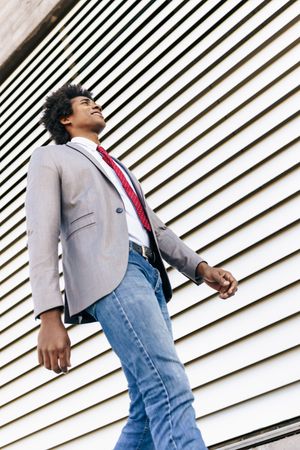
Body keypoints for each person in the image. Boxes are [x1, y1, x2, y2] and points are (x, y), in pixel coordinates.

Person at [25, 83, 238, 449]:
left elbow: (154, 226)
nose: (95, 105)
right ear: (65, 118)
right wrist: (49, 314)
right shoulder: (51, 158)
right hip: (112, 275)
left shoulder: (117, 167)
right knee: (168, 384)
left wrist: (201, 268)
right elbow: (40, 233)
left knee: (145, 401)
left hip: (148, 274)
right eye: (84, 103)